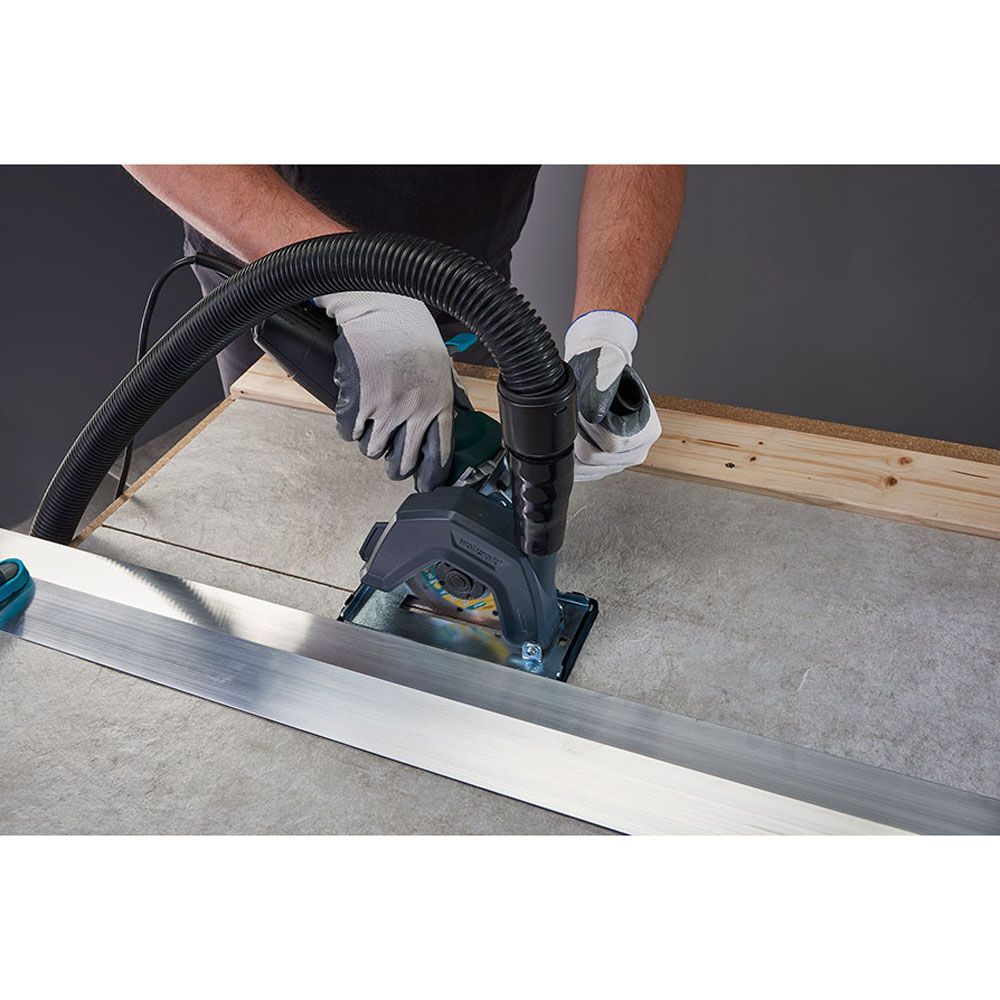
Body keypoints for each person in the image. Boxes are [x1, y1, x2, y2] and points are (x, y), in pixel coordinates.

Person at [125, 165, 684, 488]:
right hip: (279, 266)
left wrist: (605, 330)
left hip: (466, 286)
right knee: (283, 503)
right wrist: (352, 280)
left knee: (459, 463)